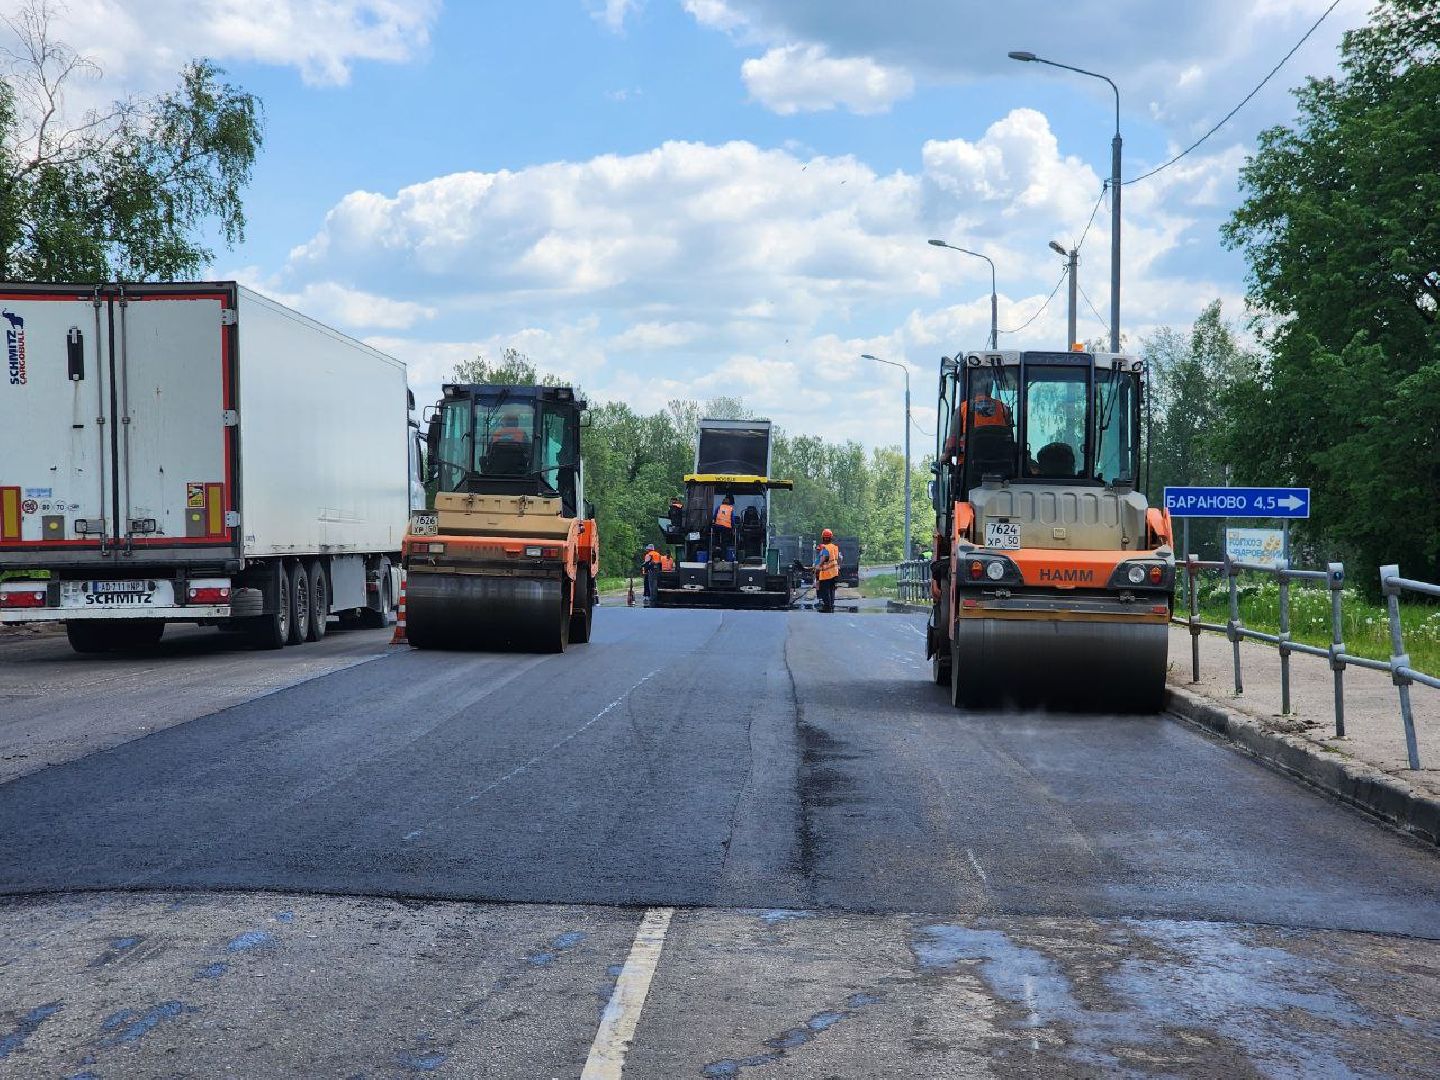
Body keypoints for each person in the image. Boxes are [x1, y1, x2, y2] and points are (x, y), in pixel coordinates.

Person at [943, 383, 1013, 463]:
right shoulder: (1003, 408)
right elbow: (1009, 436)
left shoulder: (963, 408)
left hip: (969, 467)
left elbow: (952, 443)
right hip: (1000, 464)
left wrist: (945, 456)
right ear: (990, 388)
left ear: (973, 389)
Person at [814, 528, 841, 613]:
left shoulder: (824, 547)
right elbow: (838, 558)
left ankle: (827, 607)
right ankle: (831, 605)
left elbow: (824, 558)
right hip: (834, 572)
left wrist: (818, 566)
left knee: (825, 591)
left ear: (823, 537)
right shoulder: (834, 547)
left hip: (826, 573)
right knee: (831, 590)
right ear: (831, 538)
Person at [712, 494, 735, 560]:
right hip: (727, 528)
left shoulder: (719, 507)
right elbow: (732, 520)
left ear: (722, 502)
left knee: (716, 540)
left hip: (718, 527)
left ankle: (716, 553)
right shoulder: (730, 509)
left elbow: (714, 517)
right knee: (724, 542)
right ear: (729, 503)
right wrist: (733, 528)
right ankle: (723, 558)